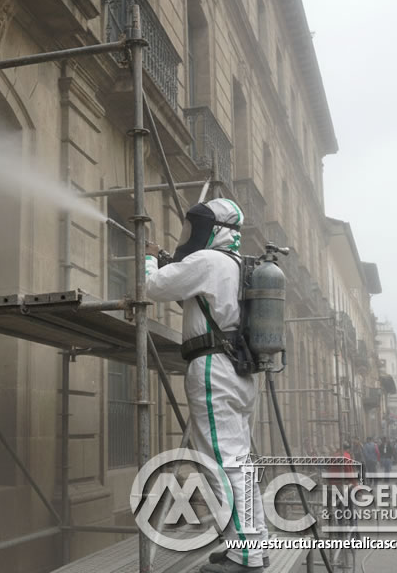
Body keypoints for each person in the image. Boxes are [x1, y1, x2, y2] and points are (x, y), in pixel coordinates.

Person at [145, 198, 266, 572]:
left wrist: (149, 257)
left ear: (211, 229)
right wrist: (174, 263)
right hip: (237, 372)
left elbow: (152, 287)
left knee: (223, 464)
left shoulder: (208, 262)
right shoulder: (236, 264)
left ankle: (246, 555)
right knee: (239, 462)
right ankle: (247, 546)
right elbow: (196, 296)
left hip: (214, 369)